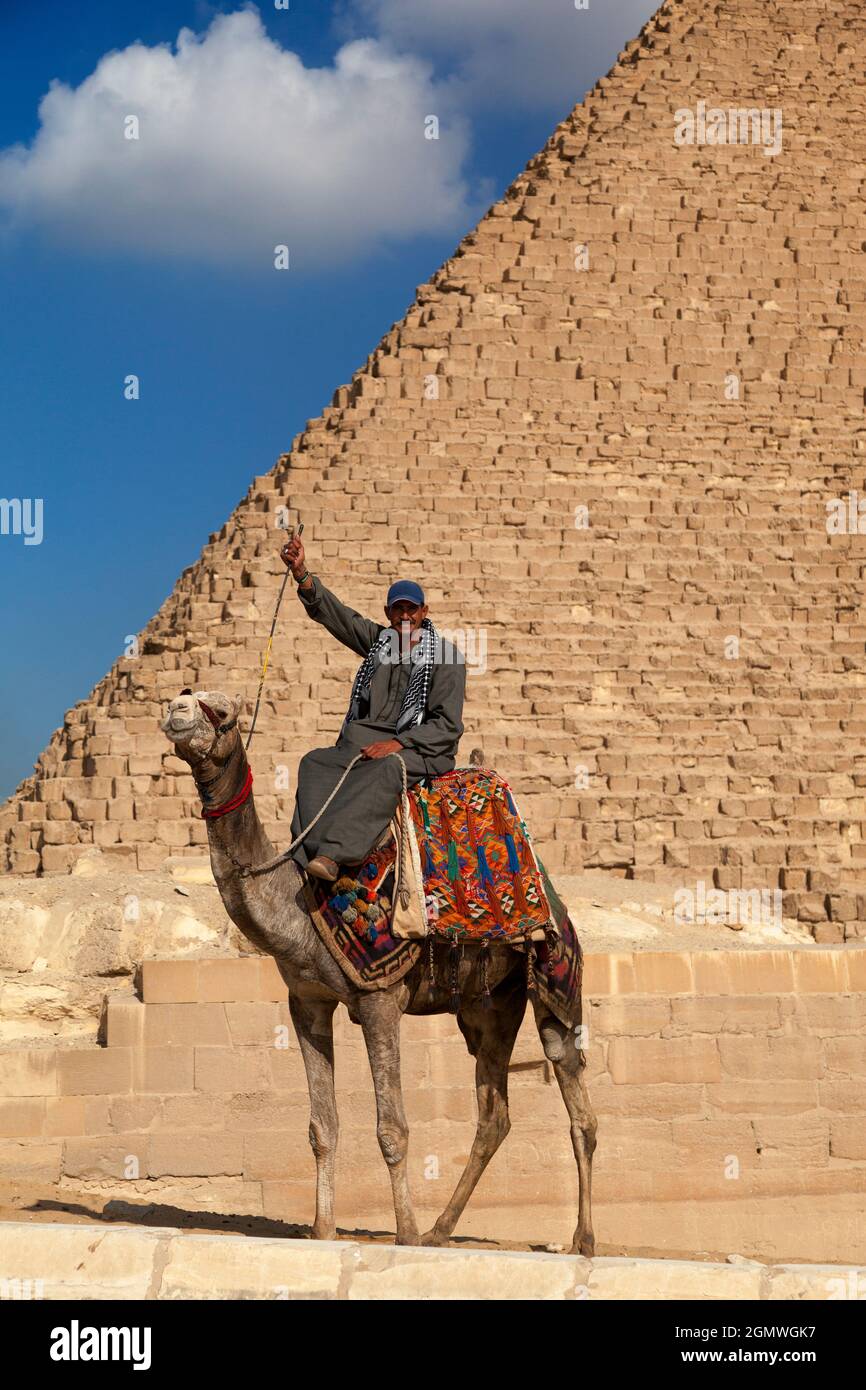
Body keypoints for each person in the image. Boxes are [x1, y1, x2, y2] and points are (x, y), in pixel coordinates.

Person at [280, 532, 466, 881]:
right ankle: (304, 849)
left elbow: (447, 726)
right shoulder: (379, 642)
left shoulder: (445, 658)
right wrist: (302, 575)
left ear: (424, 612)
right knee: (315, 762)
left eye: (413, 608)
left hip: (421, 749)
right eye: (399, 608)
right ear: (388, 612)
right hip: (363, 744)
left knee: (386, 769)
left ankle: (335, 854)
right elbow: (339, 618)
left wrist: (398, 744)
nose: (405, 615)